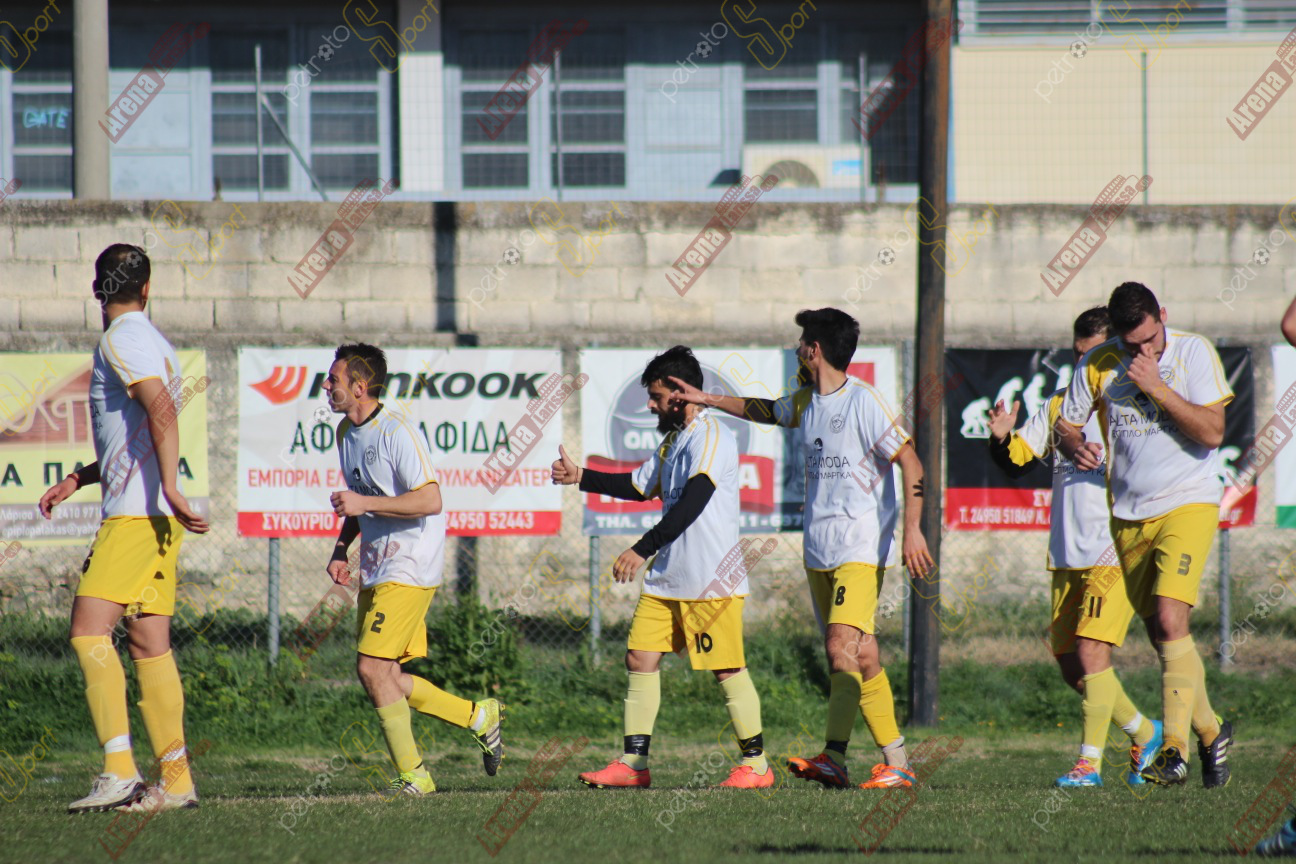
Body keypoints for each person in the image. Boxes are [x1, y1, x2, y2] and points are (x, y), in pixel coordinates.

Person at [669, 308, 932, 789]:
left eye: (801, 341)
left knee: (838, 648)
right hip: (819, 551)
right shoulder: (808, 401)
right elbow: (766, 410)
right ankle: (898, 763)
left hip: (859, 547)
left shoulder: (864, 401)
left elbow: (911, 462)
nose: (796, 349)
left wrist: (913, 530)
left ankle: (834, 757)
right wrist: (706, 398)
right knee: (862, 655)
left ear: (814, 349)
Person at [38, 244, 210, 813]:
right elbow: (133, 434)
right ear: (148, 288)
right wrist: (80, 478)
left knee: (89, 632)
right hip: (153, 517)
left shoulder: (120, 340)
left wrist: (171, 487)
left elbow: (160, 410)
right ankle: (176, 782)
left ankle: (118, 772)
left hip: (137, 515)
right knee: (148, 644)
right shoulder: (154, 341)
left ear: (97, 290)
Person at [556, 346, 773, 789]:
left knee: (726, 668)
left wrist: (643, 548)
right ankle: (634, 765)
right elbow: (639, 486)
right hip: (668, 579)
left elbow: (695, 501)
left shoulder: (712, 436)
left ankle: (757, 766)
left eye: (656, 397)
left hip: (710, 580)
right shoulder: (674, 440)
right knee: (639, 657)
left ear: (679, 393)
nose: (651, 406)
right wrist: (581, 476)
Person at [1053, 282, 1233, 788]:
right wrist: (1072, 445)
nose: (1143, 352)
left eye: (1150, 339)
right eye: (1132, 345)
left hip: (1188, 502)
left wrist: (1157, 386)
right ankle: (1211, 732)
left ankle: (1172, 751)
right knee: (1162, 636)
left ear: (1163, 317)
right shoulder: (1099, 363)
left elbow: (1213, 432)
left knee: (1173, 620)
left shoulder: (1193, 353)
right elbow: (1065, 424)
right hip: (1129, 517)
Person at [986, 306, 1161, 788]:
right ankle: (1146, 733)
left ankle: (1089, 764)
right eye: (1077, 355)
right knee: (1071, 666)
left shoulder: (1131, 405)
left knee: (1091, 651)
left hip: (1114, 548)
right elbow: (1018, 461)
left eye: (1092, 355)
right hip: (1068, 553)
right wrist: (1000, 438)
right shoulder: (1059, 405)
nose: (1082, 365)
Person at [322, 343, 503, 796]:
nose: (326, 385)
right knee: (387, 677)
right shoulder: (346, 432)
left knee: (371, 668)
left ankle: (416, 775)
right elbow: (360, 497)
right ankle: (478, 716)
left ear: (360, 387)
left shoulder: (396, 432)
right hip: (377, 564)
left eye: (334, 379)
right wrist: (342, 548)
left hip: (411, 563)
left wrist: (362, 503)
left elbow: (430, 499)